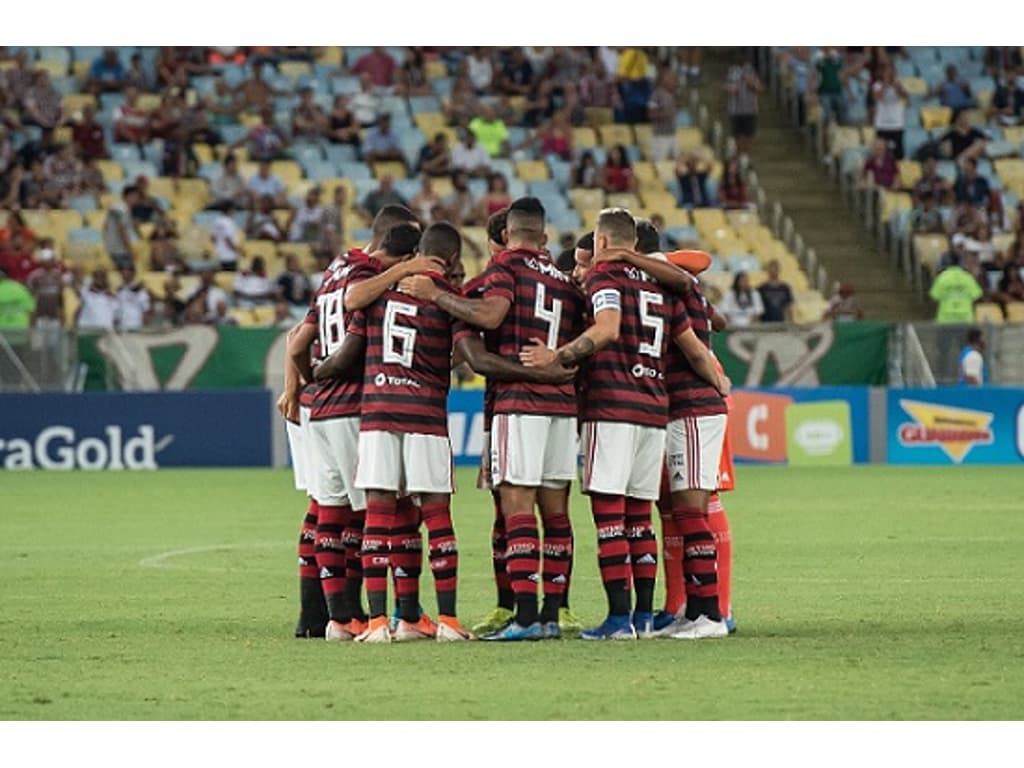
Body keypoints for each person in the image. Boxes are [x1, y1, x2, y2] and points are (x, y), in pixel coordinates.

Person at [520, 208, 727, 640]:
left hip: (615, 407)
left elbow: (608, 328)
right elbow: (692, 340)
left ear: (601, 243)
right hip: (655, 408)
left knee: (613, 518)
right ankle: (645, 619)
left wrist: (555, 357)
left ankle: (624, 620)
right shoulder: (662, 286)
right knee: (640, 519)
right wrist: (719, 380)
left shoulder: (605, 279)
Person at [400, 198, 584, 641]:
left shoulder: (503, 270)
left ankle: (524, 618)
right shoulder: (563, 281)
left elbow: (491, 316)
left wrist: (438, 295)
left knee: (516, 505)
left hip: (519, 402)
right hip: (562, 405)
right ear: (543, 235)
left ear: (505, 236)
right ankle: (552, 612)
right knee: (556, 510)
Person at [281, 205, 423, 641]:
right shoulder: (362, 276)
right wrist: (403, 272)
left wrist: (298, 386)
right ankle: (357, 615)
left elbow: (296, 339)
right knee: (368, 516)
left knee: (327, 511)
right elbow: (357, 299)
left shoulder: (334, 270)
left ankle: (329, 615)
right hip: (348, 406)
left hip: (318, 408)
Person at [871, 60, 908, 159]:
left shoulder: (900, 84)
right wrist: (885, 84)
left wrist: (896, 85)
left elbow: (905, 96)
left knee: (898, 155)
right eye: (887, 71)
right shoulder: (877, 85)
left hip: (897, 125)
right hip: (882, 125)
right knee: (881, 155)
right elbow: (877, 97)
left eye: (892, 71)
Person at [929, 256, 984, 323]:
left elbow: (934, 296)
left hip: (945, 319)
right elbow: (977, 295)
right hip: (965, 319)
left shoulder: (941, 278)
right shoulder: (968, 277)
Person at [725, 62, 762, 157]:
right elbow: (729, 89)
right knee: (738, 135)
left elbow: (758, 88)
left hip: (750, 110)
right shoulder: (732, 73)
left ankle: (746, 156)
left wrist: (749, 81)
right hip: (736, 111)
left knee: (749, 135)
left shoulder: (752, 74)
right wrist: (735, 85)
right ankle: (739, 155)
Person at [813, 48, 849, 125]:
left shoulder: (837, 58)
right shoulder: (819, 57)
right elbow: (815, 73)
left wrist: (849, 92)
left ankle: (841, 129)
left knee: (843, 109)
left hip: (838, 91)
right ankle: (827, 131)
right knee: (827, 113)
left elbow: (843, 73)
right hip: (824, 92)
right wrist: (813, 92)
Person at [114, 264, 152, 330]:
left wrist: (145, 328)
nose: (125, 273)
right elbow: (117, 311)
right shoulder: (119, 291)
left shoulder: (140, 291)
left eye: (128, 271)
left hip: (136, 326)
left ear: (133, 273)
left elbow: (146, 310)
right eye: (123, 271)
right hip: (122, 328)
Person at [212, 201, 243, 271]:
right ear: (229, 210)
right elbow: (228, 240)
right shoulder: (229, 222)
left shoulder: (217, 221)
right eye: (234, 210)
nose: (235, 212)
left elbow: (213, 238)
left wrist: (219, 246)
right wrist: (238, 251)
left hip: (220, 255)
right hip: (230, 256)